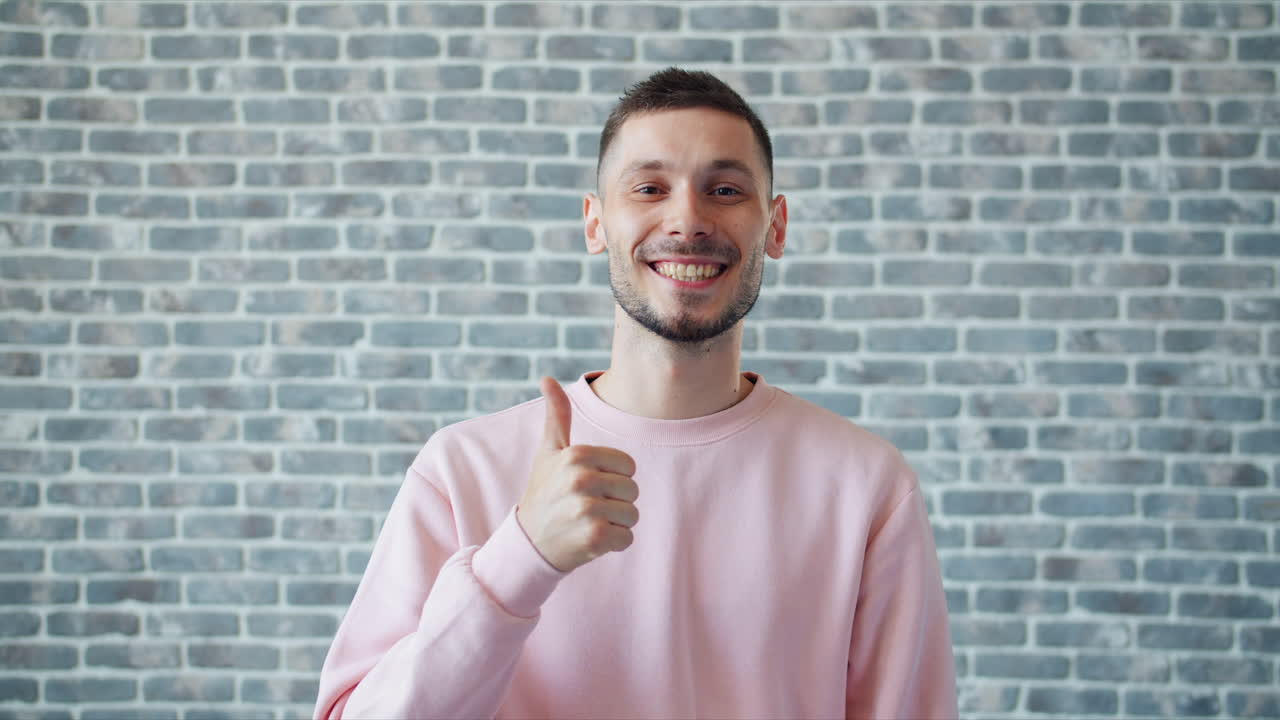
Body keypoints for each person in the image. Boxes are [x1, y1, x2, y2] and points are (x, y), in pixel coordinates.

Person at [313, 67, 957, 720]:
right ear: (596, 224)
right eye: (649, 187)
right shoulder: (462, 468)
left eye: (726, 189)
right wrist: (519, 560)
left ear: (777, 225)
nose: (687, 218)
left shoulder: (868, 486)